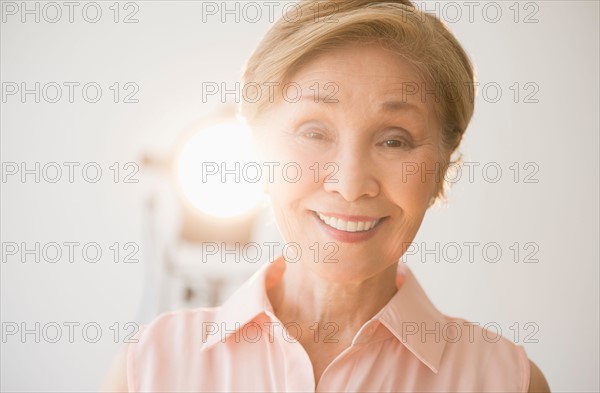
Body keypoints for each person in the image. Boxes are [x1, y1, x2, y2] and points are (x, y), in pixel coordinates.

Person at [102, 0, 551, 391]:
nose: (351, 183)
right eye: (314, 132)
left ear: (442, 167)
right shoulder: (151, 367)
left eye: (394, 140)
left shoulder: (504, 381)